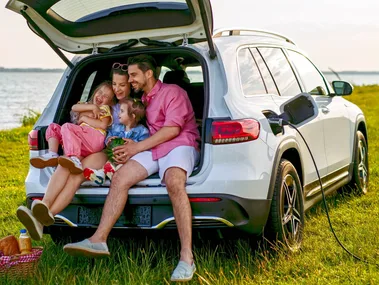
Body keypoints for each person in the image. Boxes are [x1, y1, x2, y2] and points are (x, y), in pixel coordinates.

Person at [63, 54, 200, 282]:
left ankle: (186, 257)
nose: (131, 80)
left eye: (134, 75)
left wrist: (136, 148)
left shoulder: (174, 92)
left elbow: (172, 131)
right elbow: (129, 120)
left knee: (174, 182)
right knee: (120, 178)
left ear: (149, 73)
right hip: (154, 146)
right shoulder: (143, 99)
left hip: (179, 143)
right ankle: (99, 240)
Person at [16, 64, 132, 241]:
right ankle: (43, 206)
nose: (117, 89)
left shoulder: (127, 106)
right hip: (80, 144)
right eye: (115, 85)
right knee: (64, 166)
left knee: (75, 177)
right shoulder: (91, 105)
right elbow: (74, 109)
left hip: (101, 148)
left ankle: (46, 217)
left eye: (120, 85)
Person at [29, 81, 114, 174]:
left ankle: (74, 158)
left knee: (67, 127)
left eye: (106, 96)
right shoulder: (85, 105)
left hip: (94, 139)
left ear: (110, 102)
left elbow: (103, 125)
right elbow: (74, 107)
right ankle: (52, 154)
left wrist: (84, 118)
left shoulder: (104, 109)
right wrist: (93, 107)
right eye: (100, 92)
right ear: (95, 92)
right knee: (53, 127)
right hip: (81, 139)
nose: (101, 96)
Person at [83, 98, 149, 185]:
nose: (118, 114)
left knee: (119, 164)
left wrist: (133, 143)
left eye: (122, 111)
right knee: (110, 160)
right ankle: (101, 174)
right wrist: (109, 139)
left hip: (129, 158)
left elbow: (143, 145)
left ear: (132, 116)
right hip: (114, 155)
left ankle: (111, 172)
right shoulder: (117, 127)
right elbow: (109, 135)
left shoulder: (142, 131)